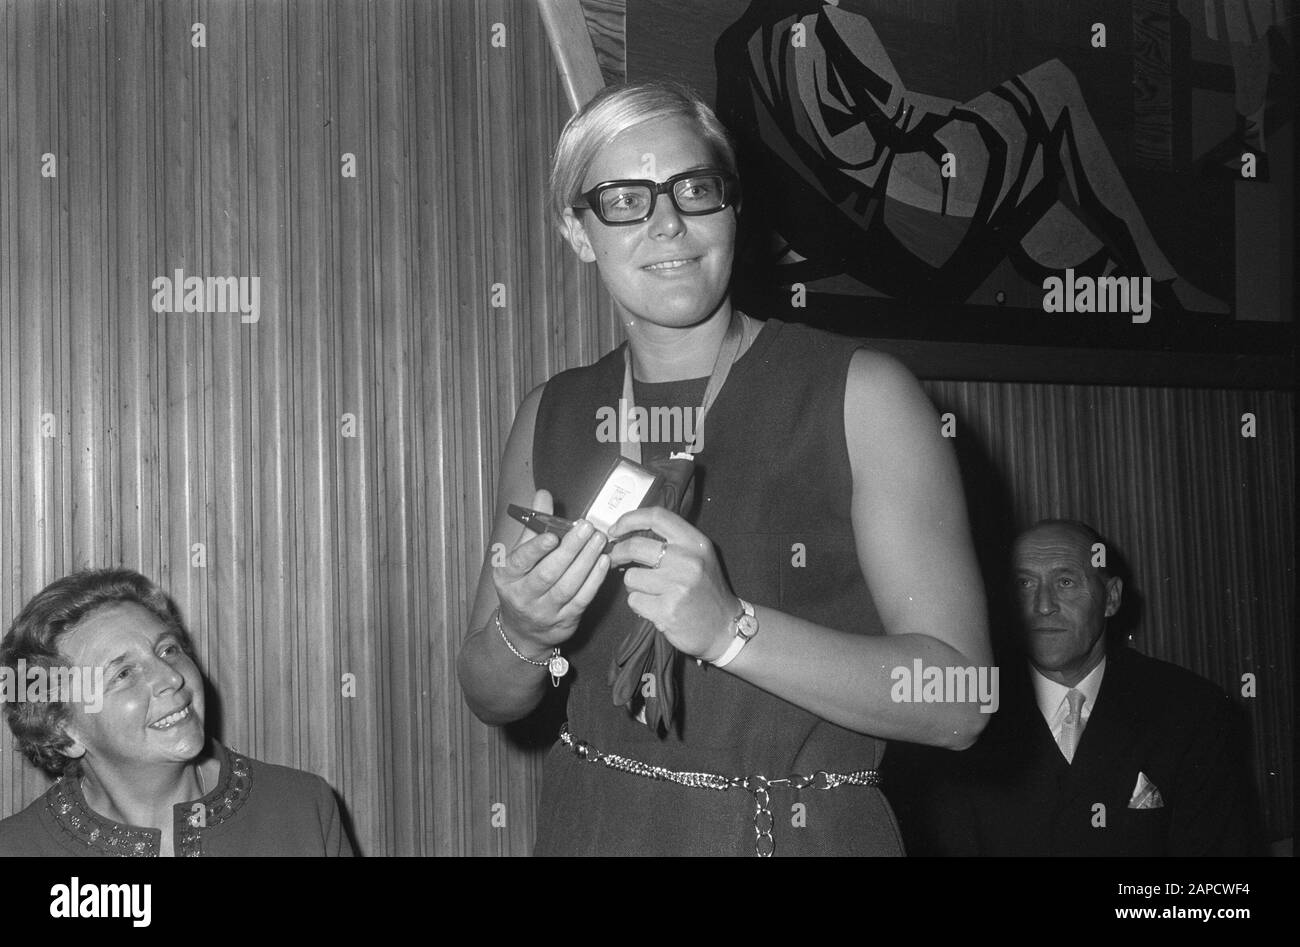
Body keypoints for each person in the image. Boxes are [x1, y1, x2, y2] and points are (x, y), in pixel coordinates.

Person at [456, 80, 992, 856]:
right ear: (579, 233)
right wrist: (527, 632)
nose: (668, 221)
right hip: (593, 830)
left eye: (694, 189)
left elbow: (961, 700)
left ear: (733, 209)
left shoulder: (862, 394)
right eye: (625, 199)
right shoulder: (553, 412)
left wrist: (731, 630)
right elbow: (486, 690)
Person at [901, 519, 1254, 856]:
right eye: (1024, 584)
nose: (1043, 605)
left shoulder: (1190, 709)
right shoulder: (961, 709)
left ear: (1111, 598)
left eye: (1066, 582)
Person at [0, 569, 353, 857]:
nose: (171, 677)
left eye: (167, 650)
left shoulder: (302, 808)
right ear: (65, 731)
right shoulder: (16, 848)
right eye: (123, 674)